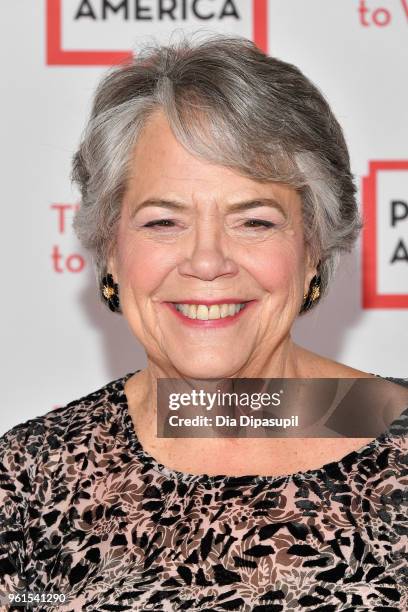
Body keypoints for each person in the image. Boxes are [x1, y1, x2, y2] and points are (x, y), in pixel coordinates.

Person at [1, 33, 407, 611]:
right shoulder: (27, 481)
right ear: (110, 248)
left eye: (255, 222)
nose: (208, 262)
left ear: (314, 245)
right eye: (164, 222)